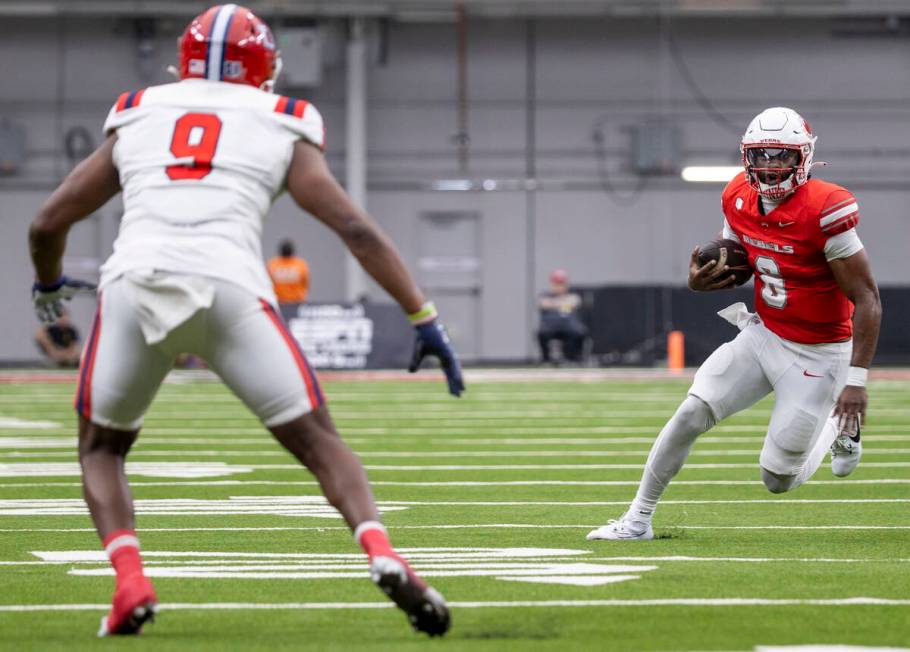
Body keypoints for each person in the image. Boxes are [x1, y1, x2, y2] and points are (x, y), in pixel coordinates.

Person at [28, 4, 463, 637]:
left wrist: (48, 290)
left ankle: (130, 583)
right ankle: (383, 552)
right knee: (320, 442)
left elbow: (46, 223)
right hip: (230, 288)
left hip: (135, 283)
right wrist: (423, 316)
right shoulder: (282, 118)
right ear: (263, 68)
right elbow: (354, 228)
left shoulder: (139, 110)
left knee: (101, 448)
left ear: (183, 63)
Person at [587, 106, 881, 541]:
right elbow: (733, 260)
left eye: (780, 156)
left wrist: (855, 382)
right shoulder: (737, 196)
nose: (768, 166)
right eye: (760, 156)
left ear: (803, 158)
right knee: (690, 412)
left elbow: (867, 298)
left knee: (777, 479)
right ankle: (637, 520)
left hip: (819, 353)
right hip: (765, 334)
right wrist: (698, 281)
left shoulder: (826, 208)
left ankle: (841, 426)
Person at [537, 269, 588, 363]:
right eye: (556, 283)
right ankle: (546, 360)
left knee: (579, 332)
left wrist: (554, 304)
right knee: (541, 334)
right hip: (550, 328)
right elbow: (542, 303)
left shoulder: (573, 294)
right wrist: (563, 304)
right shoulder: (545, 295)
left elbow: (575, 302)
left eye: (561, 283)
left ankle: (574, 358)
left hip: (569, 328)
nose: (559, 286)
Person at [267, 239, 310, 305]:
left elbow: (267, 283)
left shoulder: (273, 264)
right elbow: (305, 283)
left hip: (287, 302)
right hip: (287, 302)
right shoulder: (300, 264)